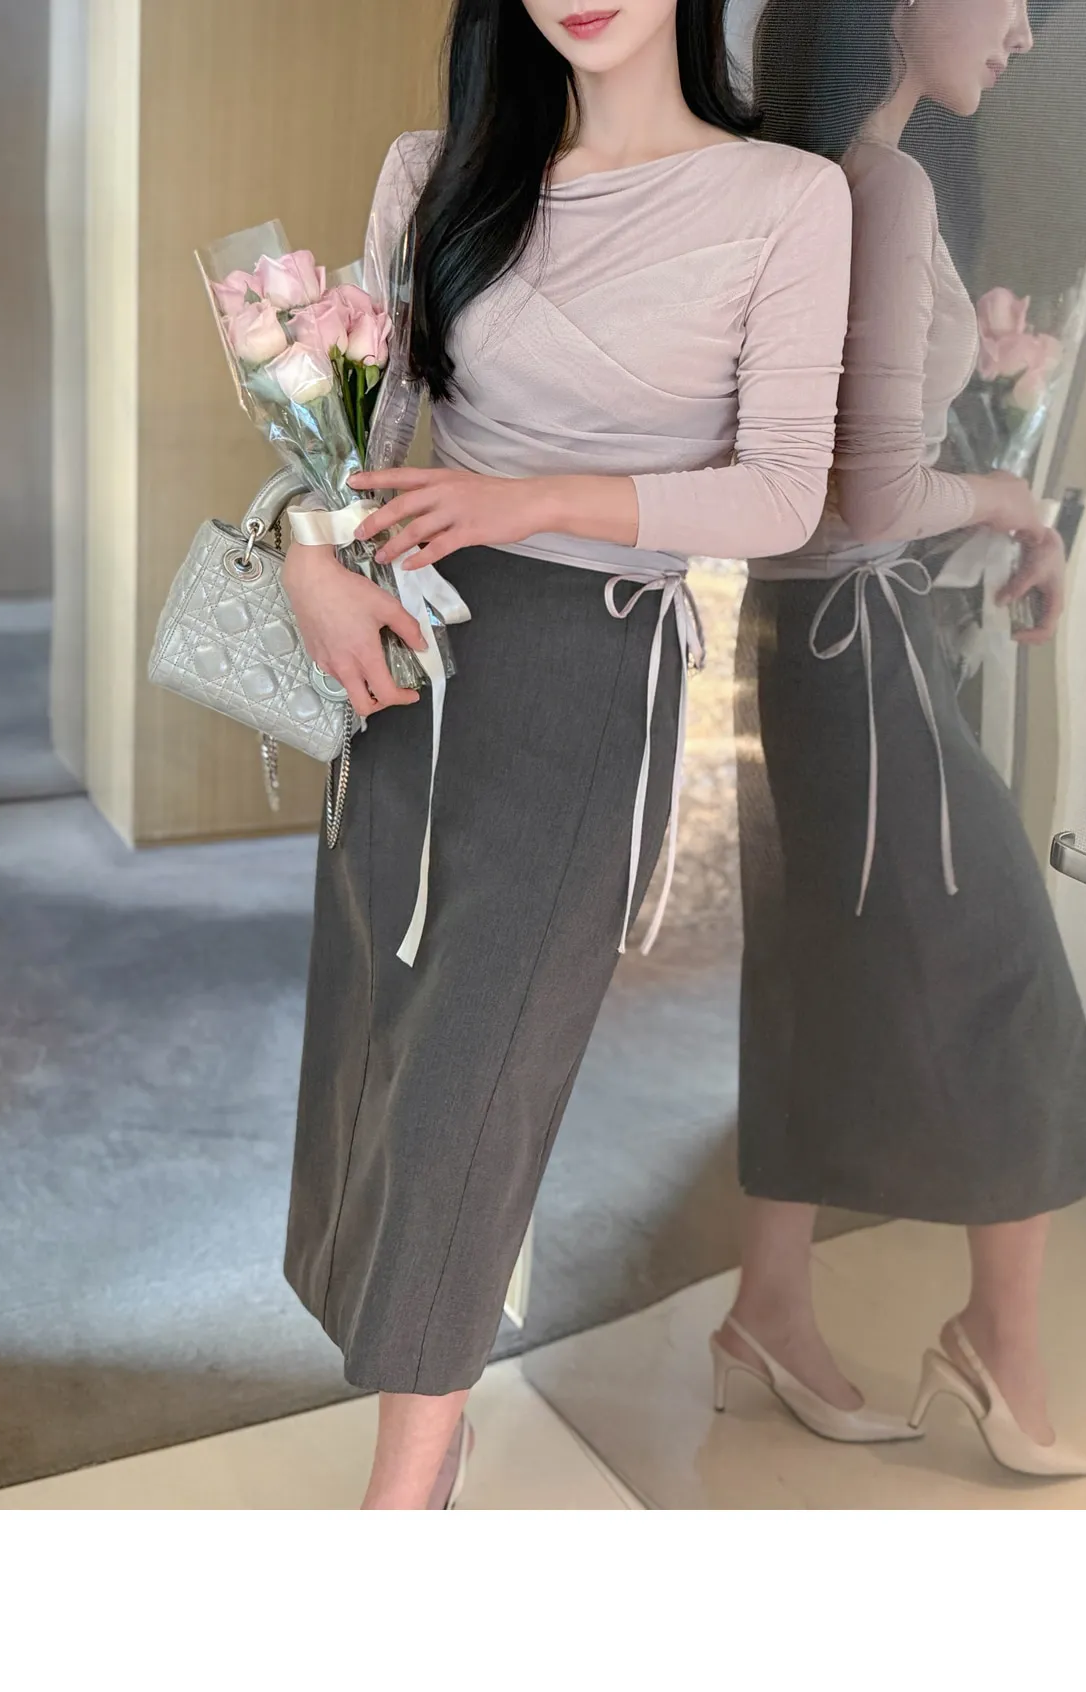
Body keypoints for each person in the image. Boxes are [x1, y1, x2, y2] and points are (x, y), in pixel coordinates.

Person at [278, 0, 852, 1509]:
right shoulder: (438, 169)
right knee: (382, 1037)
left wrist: (530, 500)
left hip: (587, 671)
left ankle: (407, 1489)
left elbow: (782, 495)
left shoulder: (785, 198)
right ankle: (423, 1412)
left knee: (478, 1075)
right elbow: (360, 446)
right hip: (410, 656)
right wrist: (304, 553)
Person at [716, 0, 1086, 1477]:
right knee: (1006, 977)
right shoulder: (874, 186)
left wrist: (987, 479)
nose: (1021, 33)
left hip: (812, 641)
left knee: (814, 970)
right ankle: (994, 1342)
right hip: (859, 647)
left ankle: (767, 1309)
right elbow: (871, 500)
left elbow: (838, 475)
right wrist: (1016, 504)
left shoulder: (816, 180)